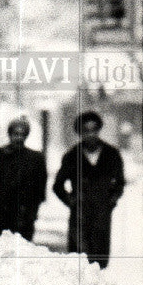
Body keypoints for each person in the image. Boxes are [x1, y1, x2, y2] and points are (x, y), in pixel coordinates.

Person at [53, 110, 125, 269]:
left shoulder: (111, 154)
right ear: (79, 133)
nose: (91, 134)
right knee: (79, 261)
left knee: (99, 261)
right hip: (79, 216)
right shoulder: (72, 155)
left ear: (99, 130)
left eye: (94, 130)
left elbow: (119, 183)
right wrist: (71, 201)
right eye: (86, 131)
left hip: (101, 215)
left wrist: (110, 201)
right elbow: (57, 185)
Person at [0, 116, 47, 242]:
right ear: (9, 134)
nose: (19, 138)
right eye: (15, 134)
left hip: (23, 219)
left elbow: (40, 191)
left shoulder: (36, 159)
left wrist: (31, 213)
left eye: (22, 134)